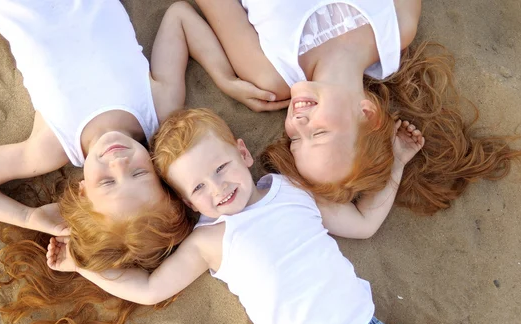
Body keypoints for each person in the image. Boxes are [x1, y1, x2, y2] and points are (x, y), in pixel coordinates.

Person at [0, 0, 283, 324]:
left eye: (106, 182)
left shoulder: (51, 145)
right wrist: (224, 77)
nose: (117, 162)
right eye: (138, 174)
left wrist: (27, 218)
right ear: (159, 171)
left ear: (82, 191)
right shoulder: (157, 107)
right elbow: (179, 16)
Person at [46, 109, 444, 324]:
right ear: (187, 201)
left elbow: (362, 223)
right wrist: (81, 266)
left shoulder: (293, 189)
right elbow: (150, 289)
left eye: (220, 167)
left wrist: (398, 164)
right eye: (198, 189)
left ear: (242, 153)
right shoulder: (209, 240)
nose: (218, 189)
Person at [194, 0, 521, 215]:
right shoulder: (396, 27)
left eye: (295, 139)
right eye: (318, 133)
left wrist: (224, 77)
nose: (299, 122)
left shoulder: (270, 74)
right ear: (368, 113)